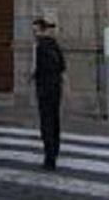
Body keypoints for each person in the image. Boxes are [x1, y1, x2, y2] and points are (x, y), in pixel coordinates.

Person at [30, 16, 66, 170]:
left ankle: (49, 158)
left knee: (46, 122)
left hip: (44, 88)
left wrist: (33, 76)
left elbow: (37, 68)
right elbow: (62, 66)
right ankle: (54, 151)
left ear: (41, 30)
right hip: (56, 87)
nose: (34, 34)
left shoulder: (39, 46)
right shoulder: (54, 44)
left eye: (35, 31)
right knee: (54, 120)